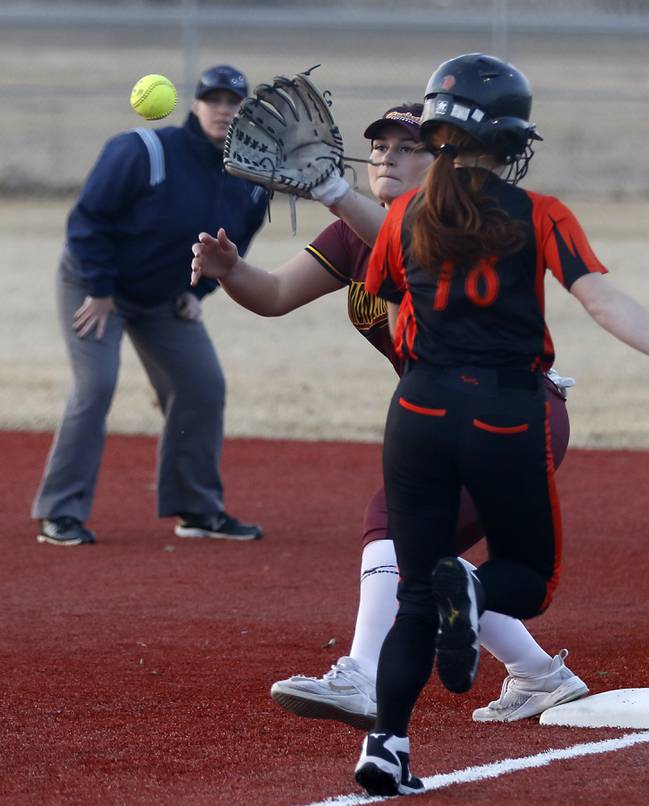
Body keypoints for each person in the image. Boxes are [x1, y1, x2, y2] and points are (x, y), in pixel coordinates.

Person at [336, 54, 649, 797]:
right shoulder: (541, 213)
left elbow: (383, 305)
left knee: (413, 597)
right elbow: (603, 302)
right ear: (506, 138)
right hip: (505, 409)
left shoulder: (400, 217)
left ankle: (385, 749)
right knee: (524, 580)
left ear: (438, 131)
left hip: (420, 411)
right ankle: (469, 588)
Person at [189, 103, 588, 727]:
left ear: (445, 164)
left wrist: (335, 193)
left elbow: (408, 245)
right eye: (378, 147)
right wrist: (231, 269)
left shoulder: (461, 222)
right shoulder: (357, 232)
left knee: (394, 525)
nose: (386, 157)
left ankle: (363, 678)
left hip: (514, 412)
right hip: (456, 419)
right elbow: (273, 295)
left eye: (407, 148)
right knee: (425, 553)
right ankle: (541, 674)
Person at [32, 65, 270, 546]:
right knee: (96, 385)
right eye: (213, 99)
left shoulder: (249, 179)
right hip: (93, 285)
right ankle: (59, 511)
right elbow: (87, 221)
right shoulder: (144, 151)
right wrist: (99, 290)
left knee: (202, 386)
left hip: (163, 296)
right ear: (195, 105)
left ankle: (198, 510)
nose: (223, 109)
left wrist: (195, 292)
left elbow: (230, 249)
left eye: (233, 102)